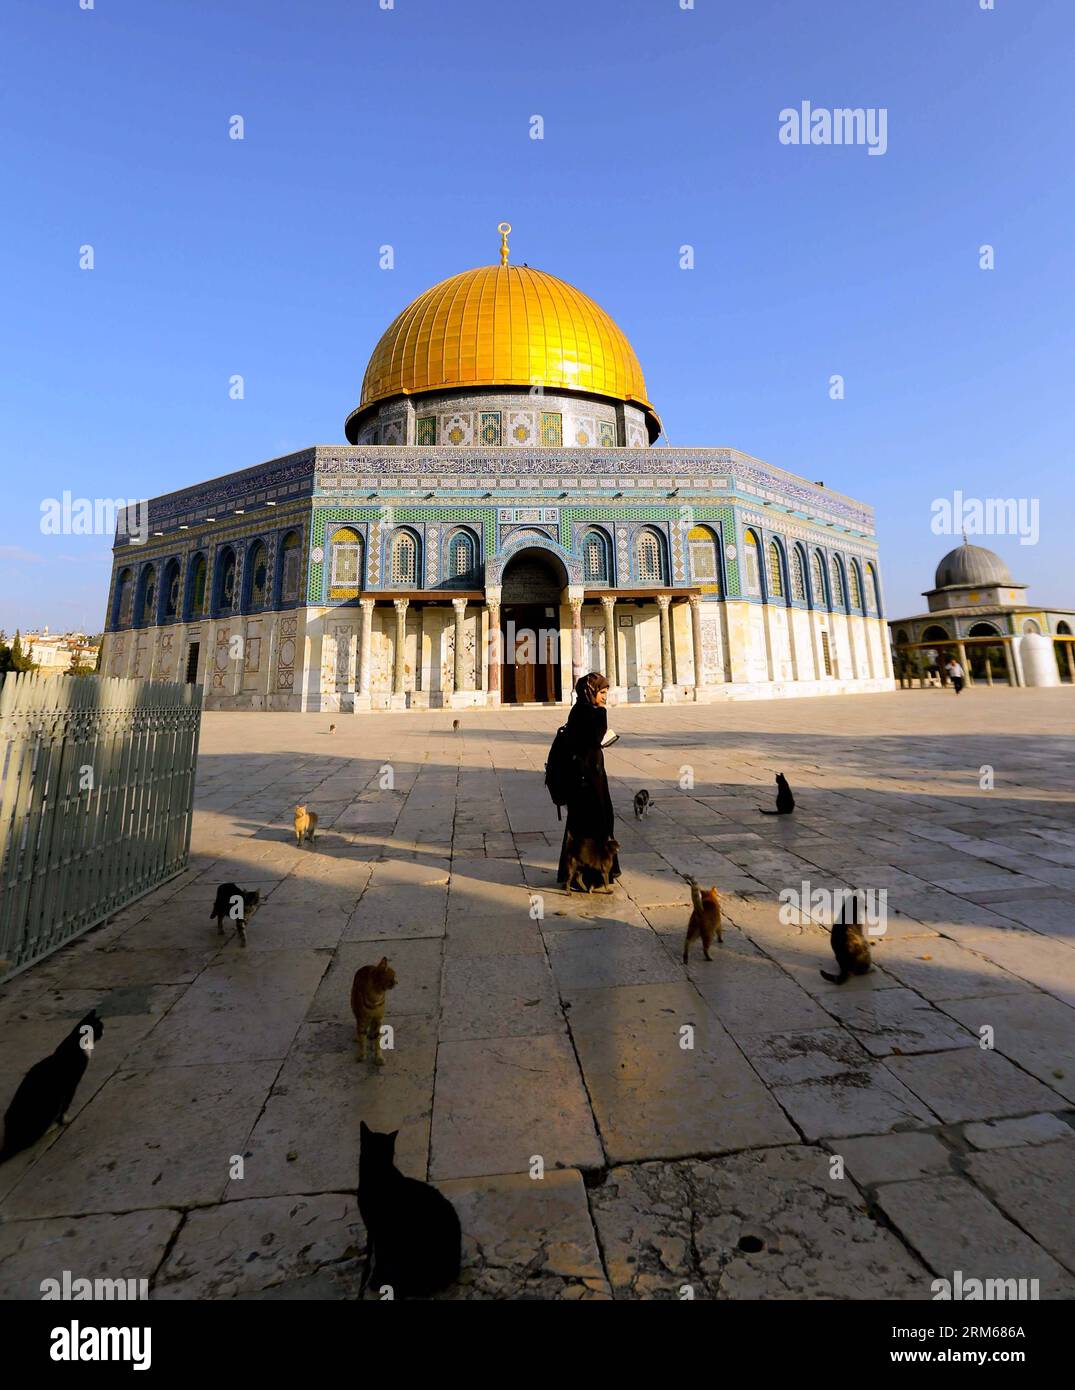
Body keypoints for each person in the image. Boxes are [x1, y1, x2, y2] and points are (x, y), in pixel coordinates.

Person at [555, 671, 621, 890]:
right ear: (590, 691)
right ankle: (586, 874)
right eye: (601, 692)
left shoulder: (582, 711)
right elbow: (594, 738)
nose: (604, 697)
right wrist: (602, 713)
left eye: (605, 693)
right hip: (585, 779)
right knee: (589, 825)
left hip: (591, 775)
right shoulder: (585, 712)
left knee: (596, 822)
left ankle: (593, 872)